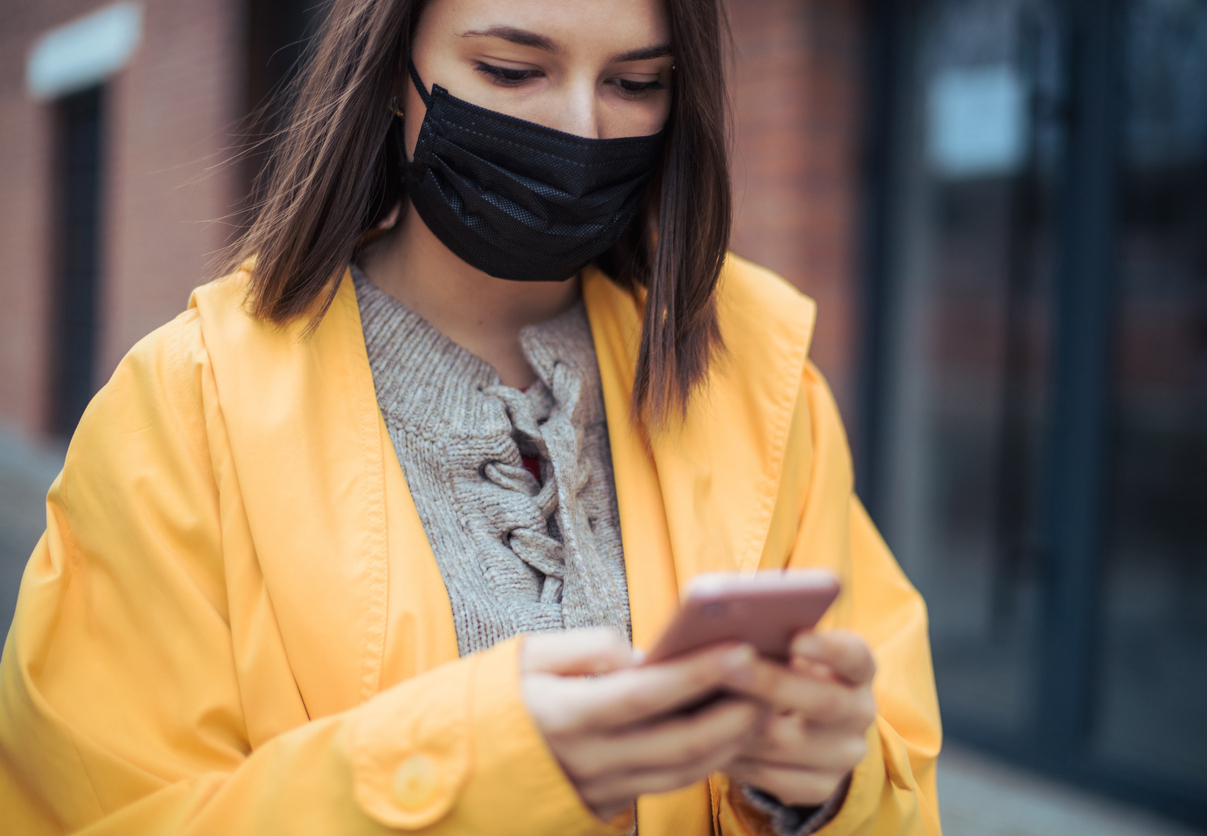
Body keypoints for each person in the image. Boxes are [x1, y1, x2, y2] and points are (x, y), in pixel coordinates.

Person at [0, 0, 941, 833]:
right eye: (511, 69)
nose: (580, 127)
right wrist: (480, 765)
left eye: (636, 82)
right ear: (389, 71)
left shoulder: (761, 384)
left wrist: (826, 792)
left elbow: (900, 784)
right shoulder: (183, 412)